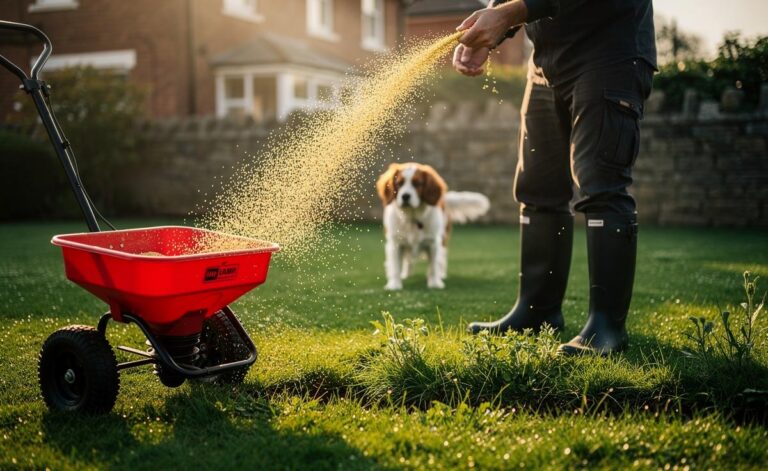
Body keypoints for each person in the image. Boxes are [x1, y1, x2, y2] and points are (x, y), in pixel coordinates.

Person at [455, 0, 656, 355]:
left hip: (609, 55)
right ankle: (536, 312)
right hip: (546, 64)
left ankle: (607, 327)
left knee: (601, 186)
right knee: (537, 187)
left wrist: (505, 15)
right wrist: (489, 30)